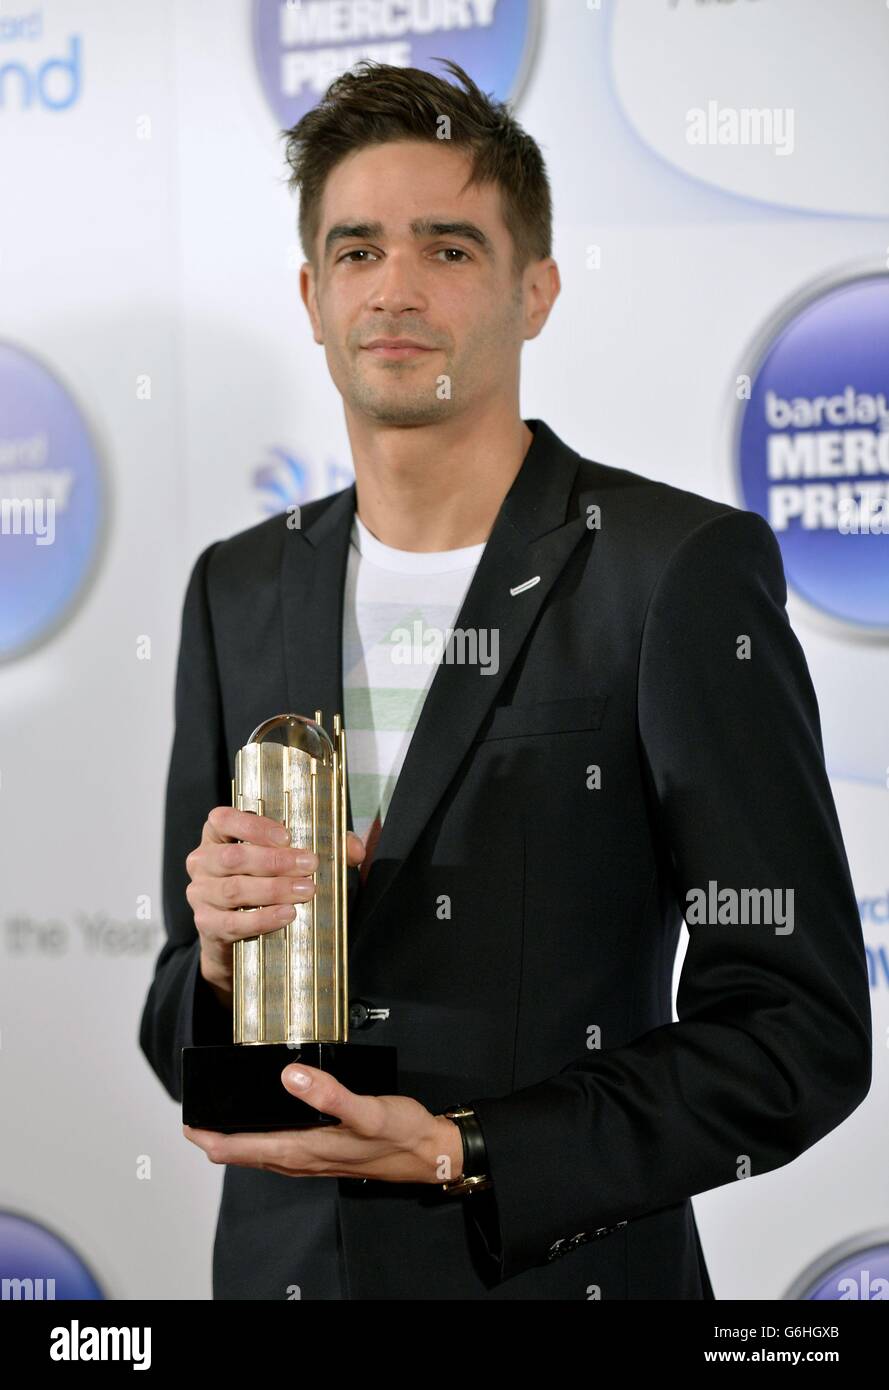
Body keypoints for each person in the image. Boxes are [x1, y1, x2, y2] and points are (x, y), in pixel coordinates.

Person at [139, 59, 872, 1300]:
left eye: (450, 248)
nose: (398, 289)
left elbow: (797, 1032)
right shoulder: (239, 584)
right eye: (359, 251)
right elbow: (179, 1019)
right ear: (312, 296)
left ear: (535, 291)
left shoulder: (672, 572)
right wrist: (217, 960)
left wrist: (459, 1152)